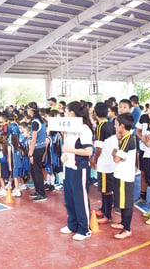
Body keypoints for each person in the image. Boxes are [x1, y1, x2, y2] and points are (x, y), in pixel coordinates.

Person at [59, 101, 93, 241]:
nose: (64, 114)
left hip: (80, 168)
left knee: (80, 199)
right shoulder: (69, 129)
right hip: (68, 167)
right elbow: (65, 148)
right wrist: (63, 155)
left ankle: (84, 229)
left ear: (73, 113)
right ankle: (72, 224)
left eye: (66, 111)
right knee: (69, 199)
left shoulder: (84, 129)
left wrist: (70, 150)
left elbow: (88, 151)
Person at [91, 102, 117, 224]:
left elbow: (99, 148)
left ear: (95, 113)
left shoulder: (100, 127)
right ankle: (103, 209)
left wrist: (94, 160)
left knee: (106, 190)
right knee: (104, 188)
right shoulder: (110, 125)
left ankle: (107, 216)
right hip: (110, 161)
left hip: (105, 163)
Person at [111, 113, 136, 239]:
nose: (115, 126)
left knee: (126, 203)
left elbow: (116, 158)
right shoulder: (125, 138)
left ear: (122, 126)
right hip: (121, 174)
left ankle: (127, 229)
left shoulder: (127, 139)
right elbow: (119, 158)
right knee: (122, 201)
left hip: (125, 176)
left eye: (116, 124)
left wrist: (115, 154)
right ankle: (123, 223)